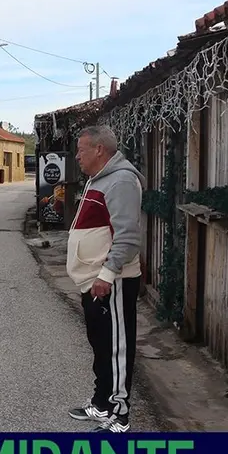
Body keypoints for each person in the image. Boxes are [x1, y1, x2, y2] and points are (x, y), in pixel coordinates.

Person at [66, 125, 143, 434]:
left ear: (99, 150)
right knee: (101, 344)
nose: (77, 157)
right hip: (94, 279)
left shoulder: (122, 180)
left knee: (117, 348)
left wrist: (108, 275)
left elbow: (127, 236)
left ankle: (120, 415)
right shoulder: (99, 180)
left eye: (81, 150)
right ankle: (101, 403)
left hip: (112, 280)